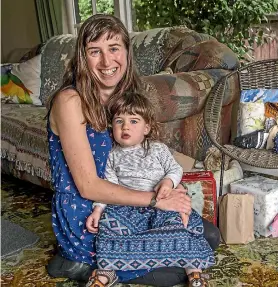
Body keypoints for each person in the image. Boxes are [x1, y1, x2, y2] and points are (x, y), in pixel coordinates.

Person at [46, 14, 220, 286]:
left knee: (208, 237)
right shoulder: (70, 101)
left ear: (126, 52)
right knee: (176, 272)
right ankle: (75, 262)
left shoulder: (124, 98)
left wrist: (170, 186)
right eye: (95, 52)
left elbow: (147, 154)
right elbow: (88, 186)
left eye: (114, 48)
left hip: (127, 202)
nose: (107, 62)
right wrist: (155, 200)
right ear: (83, 57)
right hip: (89, 212)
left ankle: (108, 260)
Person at [85, 92, 214, 287]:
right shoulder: (112, 155)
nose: (125, 126)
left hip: (162, 204)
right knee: (108, 225)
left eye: (134, 121)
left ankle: (194, 272)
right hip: (128, 208)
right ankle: (106, 271)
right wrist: (98, 209)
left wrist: (168, 183)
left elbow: (175, 169)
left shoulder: (157, 149)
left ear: (146, 128)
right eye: (119, 121)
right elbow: (108, 187)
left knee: (180, 224)